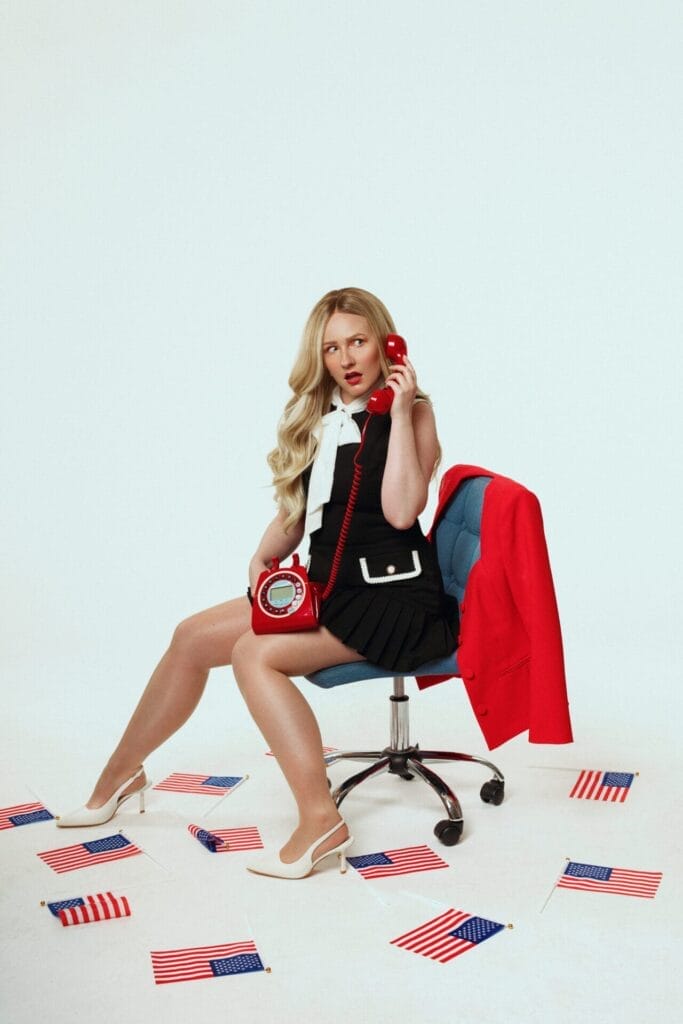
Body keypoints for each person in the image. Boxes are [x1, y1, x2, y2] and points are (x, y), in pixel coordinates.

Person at [56, 287, 459, 879]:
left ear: (385, 345)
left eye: (358, 342)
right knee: (190, 637)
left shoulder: (413, 414)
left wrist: (396, 415)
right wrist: (262, 558)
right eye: (331, 349)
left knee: (254, 656)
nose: (347, 359)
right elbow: (303, 512)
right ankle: (121, 774)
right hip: (331, 587)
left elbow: (402, 511)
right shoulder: (327, 420)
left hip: (388, 601)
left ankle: (321, 819)